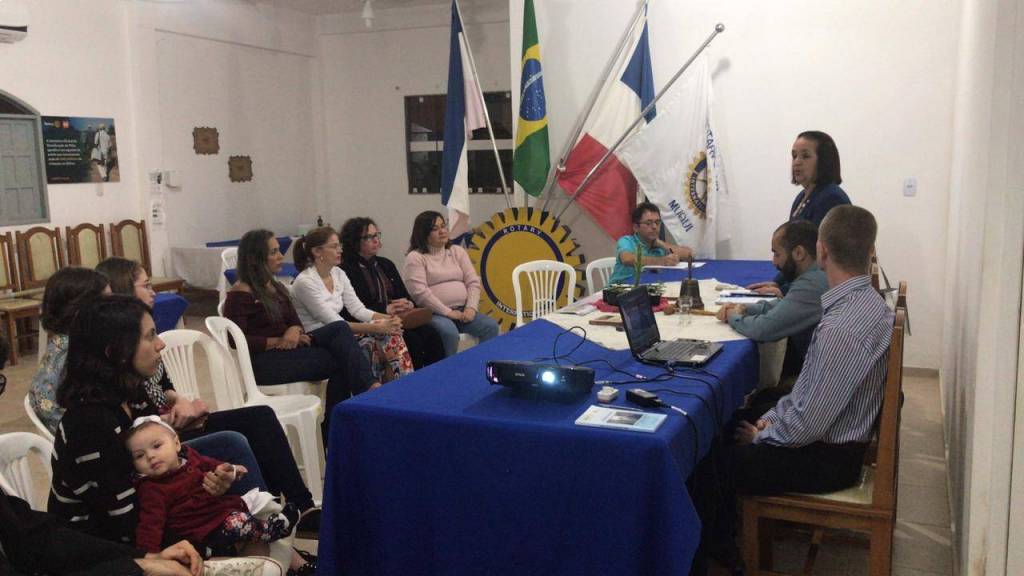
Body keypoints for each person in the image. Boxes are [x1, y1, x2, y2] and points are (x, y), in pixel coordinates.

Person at [706, 205, 892, 572]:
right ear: (870, 250)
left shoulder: (842, 327)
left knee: (713, 464)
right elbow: (809, 391)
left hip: (828, 459)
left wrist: (762, 436)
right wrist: (771, 419)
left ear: (821, 251)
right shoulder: (866, 301)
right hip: (835, 440)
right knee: (746, 414)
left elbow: (809, 424)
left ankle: (719, 552)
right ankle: (724, 534)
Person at [96, 256, 322, 540]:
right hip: (158, 439)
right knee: (233, 441)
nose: (153, 292)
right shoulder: (125, 352)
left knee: (259, 417)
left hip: (169, 424)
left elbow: (163, 386)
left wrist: (180, 402)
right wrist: (167, 424)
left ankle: (296, 507)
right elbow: (137, 430)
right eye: (146, 285)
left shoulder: (144, 341)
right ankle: (264, 525)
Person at [223, 229, 379, 443]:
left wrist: (293, 330)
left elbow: (295, 320)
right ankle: (348, 415)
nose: (280, 256)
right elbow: (235, 340)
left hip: (289, 350)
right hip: (263, 362)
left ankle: (349, 413)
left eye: (279, 251)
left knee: (339, 330)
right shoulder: (240, 293)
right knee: (340, 359)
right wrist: (277, 341)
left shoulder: (275, 287)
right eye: (273, 252)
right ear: (254, 258)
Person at [127, 417, 310, 575]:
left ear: (176, 444)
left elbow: (213, 465)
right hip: (202, 531)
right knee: (237, 522)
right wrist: (150, 556)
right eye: (139, 456)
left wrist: (231, 470)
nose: (150, 456)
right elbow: (150, 525)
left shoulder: (189, 457)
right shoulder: (151, 489)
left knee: (252, 511)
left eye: (157, 446)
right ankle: (273, 529)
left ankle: (282, 549)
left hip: (218, 514)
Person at [290, 227, 414, 383]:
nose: (340, 250)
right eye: (334, 246)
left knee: (391, 334)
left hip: (339, 332)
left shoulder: (338, 273)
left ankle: (397, 385)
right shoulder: (305, 282)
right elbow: (335, 323)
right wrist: (379, 327)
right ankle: (390, 385)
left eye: (340, 245)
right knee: (379, 338)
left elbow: (357, 309)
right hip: (318, 336)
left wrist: (389, 319)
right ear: (317, 251)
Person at [716, 220, 828, 380]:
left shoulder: (811, 284)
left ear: (799, 253)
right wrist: (744, 308)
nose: (773, 262)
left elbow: (764, 329)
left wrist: (733, 316)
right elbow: (786, 305)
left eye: (777, 254)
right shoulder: (815, 275)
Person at [748, 131, 851, 297]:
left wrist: (785, 290)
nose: (797, 162)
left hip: (823, 291)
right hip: (804, 286)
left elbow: (818, 259)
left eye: (805, 156)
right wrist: (778, 282)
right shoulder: (801, 197)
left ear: (824, 161)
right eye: (794, 156)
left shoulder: (831, 198)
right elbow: (792, 250)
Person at [339, 217, 446, 369]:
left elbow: (404, 295)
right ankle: (413, 380)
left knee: (432, 335)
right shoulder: (346, 270)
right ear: (354, 241)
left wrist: (408, 304)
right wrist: (385, 309)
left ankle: (437, 377)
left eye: (377, 235)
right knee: (412, 341)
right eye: (369, 237)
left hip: (400, 318)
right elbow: (354, 309)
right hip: (372, 323)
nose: (376, 240)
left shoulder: (385, 264)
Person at [402, 211, 499, 357]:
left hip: (462, 311)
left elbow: (473, 282)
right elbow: (420, 293)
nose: (442, 231)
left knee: (490, 326)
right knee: (449, 333)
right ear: (423, 234)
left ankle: (481, 364)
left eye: (443, 226)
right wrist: (448, 312)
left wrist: (471, 308)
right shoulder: (415, 257)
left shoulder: (457, 251)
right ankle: (447, 369)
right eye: (435, 229)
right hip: (434, 313)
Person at [29, 267, 111, 433]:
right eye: (107, 301)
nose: (114, 307)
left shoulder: (66, 342)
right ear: (80, 308)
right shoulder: (73, 352)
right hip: (81, 436)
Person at [607, 202, 694, 285]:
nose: (654, 227)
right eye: (648, 223)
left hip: (647, 287)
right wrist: (662, 261)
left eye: (657, 222)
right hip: (619, 288)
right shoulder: (626, 241)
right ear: (636, 227)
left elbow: (689, 254)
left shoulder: (659, 247)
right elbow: (627, 259)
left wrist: (660, 243)